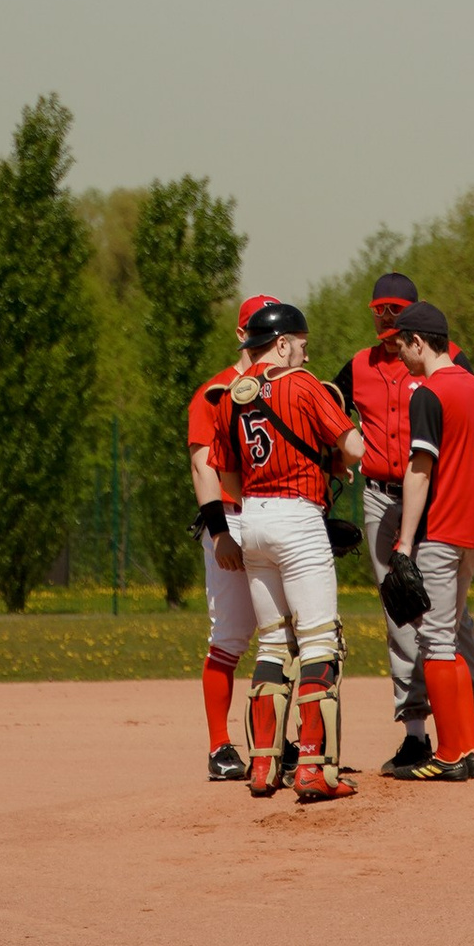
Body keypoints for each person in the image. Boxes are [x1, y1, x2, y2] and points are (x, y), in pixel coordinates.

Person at [337, 272, 474, 776]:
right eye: (380, 309)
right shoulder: (359, 365)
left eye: (397, 311)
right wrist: (340, 451)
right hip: (385, 498)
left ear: (415, 328)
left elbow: (447, 452)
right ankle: (416, 735)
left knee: (450, 625)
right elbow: (326, 409)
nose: (387, 319)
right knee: (402, 613)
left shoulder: (446, 369)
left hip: (434, 504)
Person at [206, 300, 364, 804]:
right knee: (319, 642)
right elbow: (355, 449)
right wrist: (341, 448)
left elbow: (225, 474)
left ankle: (262, 766)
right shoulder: (301, 383)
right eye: (301, 343)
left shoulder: (231, 395)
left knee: (273, 644)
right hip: (297, 518)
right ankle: (314, 767)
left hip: (251, 519)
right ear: (281, 343)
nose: (305, 352)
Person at [382, 308, 474, 782]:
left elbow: (420, 469)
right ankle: (468, 747)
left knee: (435, 642)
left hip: (442, 529)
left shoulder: (429, 393)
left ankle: (450, 752)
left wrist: (405, 541)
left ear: (417, 342)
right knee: (447, 636)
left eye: (400, 344)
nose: (398, 353)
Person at [185, 294, 280, 780]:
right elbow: (204, 466)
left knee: (288, 634)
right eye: (254, 331)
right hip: (232, 517)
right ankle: (221, 747)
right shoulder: (215, 392)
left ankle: (285, 742)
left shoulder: (289, 388)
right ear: (242, 335)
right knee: (229, 635)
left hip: (283, 514)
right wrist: (220, 532)